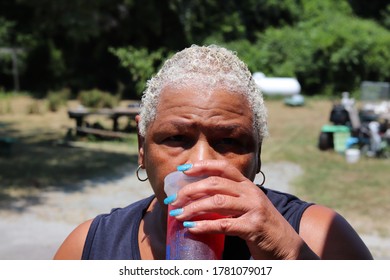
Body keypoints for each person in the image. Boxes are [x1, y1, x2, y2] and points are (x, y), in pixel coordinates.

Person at [54, 45, 373, 260]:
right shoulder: (89, 249)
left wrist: (290, 256)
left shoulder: (317, 236)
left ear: (257, 153)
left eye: (229, 141)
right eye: (177, 138)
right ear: (142, 147)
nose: (201, 163)